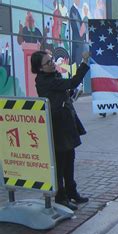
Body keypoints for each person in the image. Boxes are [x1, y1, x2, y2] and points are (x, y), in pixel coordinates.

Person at [32, 50, 90, 210]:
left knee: (70, 158)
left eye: (51, 60)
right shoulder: (45, 80)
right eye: (48, 62)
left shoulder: (53, 76)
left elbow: (65, 90)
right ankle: (61, 197)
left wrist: (70, 93)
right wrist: (84, 63)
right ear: (40, 68)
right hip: (58, 127)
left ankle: (72, 192)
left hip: (66, 123)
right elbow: (72, 82)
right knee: (61, 163)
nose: (52, 63)